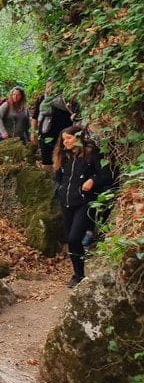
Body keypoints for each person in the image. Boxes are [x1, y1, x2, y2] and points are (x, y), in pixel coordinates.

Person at [53, 125, 113, 288]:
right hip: (66, 202)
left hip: (84, 202)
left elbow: (106, 175)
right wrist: (59, 189)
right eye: (64, 139)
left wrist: (92, 180)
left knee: (74, 238)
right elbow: (58, 178)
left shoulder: (91, 154)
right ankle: (78, 275)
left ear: (78, 137)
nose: (65, 142)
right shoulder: (63, 156)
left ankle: (79, 274)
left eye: (69, 138)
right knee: (71, 241)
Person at [31, 79, 75, 172]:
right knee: (46, 161)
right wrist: (33, 132)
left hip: (62, 136)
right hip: (45, 134)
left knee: (61, 160)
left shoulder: (64, 100)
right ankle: (47, 180)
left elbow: (73, 115)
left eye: (52, 87)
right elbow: (35, 117)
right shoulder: (42, 99)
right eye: (48, 87)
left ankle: (59, 181)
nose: (49, 89)